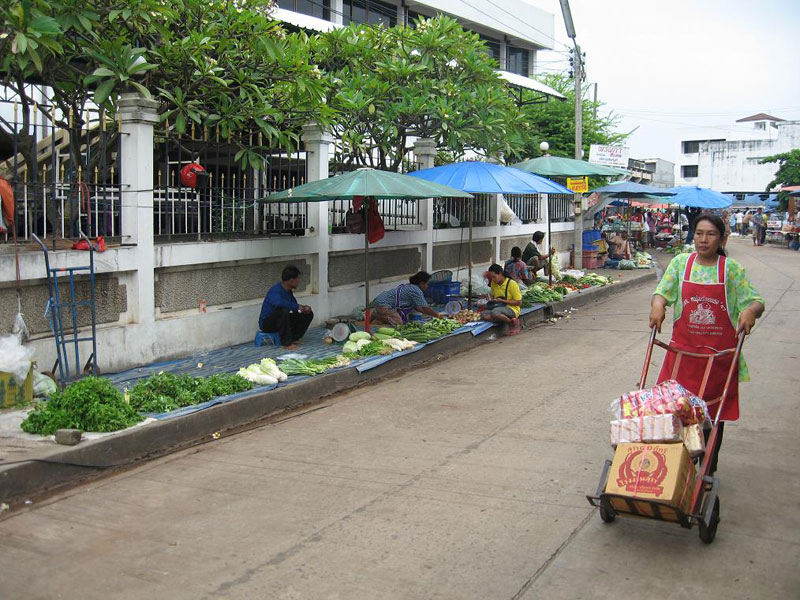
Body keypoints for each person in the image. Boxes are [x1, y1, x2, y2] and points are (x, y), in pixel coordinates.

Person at [649, 214, 765, 472]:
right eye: (699, 233)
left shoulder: (731, 269)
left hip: (718, 359)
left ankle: (707, 469)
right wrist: (658, 306)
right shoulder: (681, 263)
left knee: (712, 417)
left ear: (722, 239)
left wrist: (750, 311)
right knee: (677, 413)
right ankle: (680, 466)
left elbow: (755, 301)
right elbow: (662, 292)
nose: (703, 239)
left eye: (711, 234)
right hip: (682, 356)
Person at [259, 265, 314, 349]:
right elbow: (278, 303)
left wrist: (303, 309)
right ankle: (286, 343)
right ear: (291, 280)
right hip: (267, 323)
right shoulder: (275, 290)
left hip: (281, 320)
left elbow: (295, 307)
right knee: (283, 311)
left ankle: (294, 337)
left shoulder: (288, 292)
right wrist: (297, 306)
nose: (299, 281)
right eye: (297, 279)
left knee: (307, 314)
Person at [371, 271, 441, 326]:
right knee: (398, 322)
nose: (427, 286)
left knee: (393, 319)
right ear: (421, 283)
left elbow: (417, 308)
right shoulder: (416, 290)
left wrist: (430, 314)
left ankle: (380, 317)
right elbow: (425, 308)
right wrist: (438, 315)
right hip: (382, 304)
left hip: (381, 301)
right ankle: (375, 315)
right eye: (427, 284)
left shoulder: (411, 287)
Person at [481, 263, 522, 336]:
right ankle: (506, 319)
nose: (493, 279)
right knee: (483, 315)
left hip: (512, 309)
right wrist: (490, 298)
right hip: (499, 307)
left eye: (494, 277)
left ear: (500, 273)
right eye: (491, 278)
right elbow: (494, 296)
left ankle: (512, 323)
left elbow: (519, 303)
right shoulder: (493, 283)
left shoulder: (512, 284)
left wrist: (501, 300)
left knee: (495, 312)